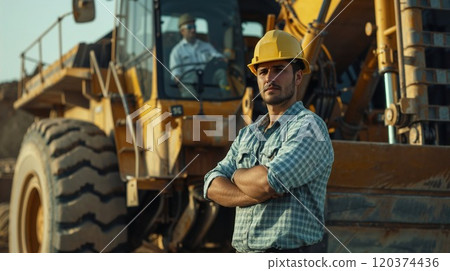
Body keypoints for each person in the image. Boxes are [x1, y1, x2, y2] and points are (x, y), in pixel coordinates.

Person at [203, 30, 334, 253]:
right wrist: (253, 192)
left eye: (279, 70)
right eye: (263, 71)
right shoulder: (248, 134)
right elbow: (210, 184)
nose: (269, 78)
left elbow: (269, 182)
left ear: (298, 76)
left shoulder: (309, 127)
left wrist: (235, 175)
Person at [169, 13, 227, 96]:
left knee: (221, 73)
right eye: (189, 27)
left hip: (207, 80)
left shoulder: (206, 46)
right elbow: (175, 72)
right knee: (188, 94)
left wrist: (222, 59)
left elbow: (217, 56)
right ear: (182, 31)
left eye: (194, 27)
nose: (193, 30)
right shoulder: (177, 51)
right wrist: (177, 77)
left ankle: (227, 99)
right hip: (189, 83)